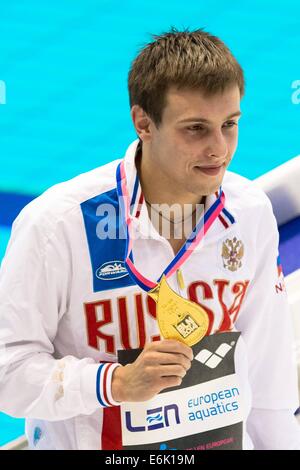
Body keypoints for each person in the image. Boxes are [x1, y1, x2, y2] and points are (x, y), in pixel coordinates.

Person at [0, 27, 300, 451]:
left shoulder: (248, 211)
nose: (219, 149)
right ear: (144, 122)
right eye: (195, 128)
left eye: (229, 124)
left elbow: (269, 376)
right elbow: (7, 374)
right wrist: (114, 383)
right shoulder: (58, 225)